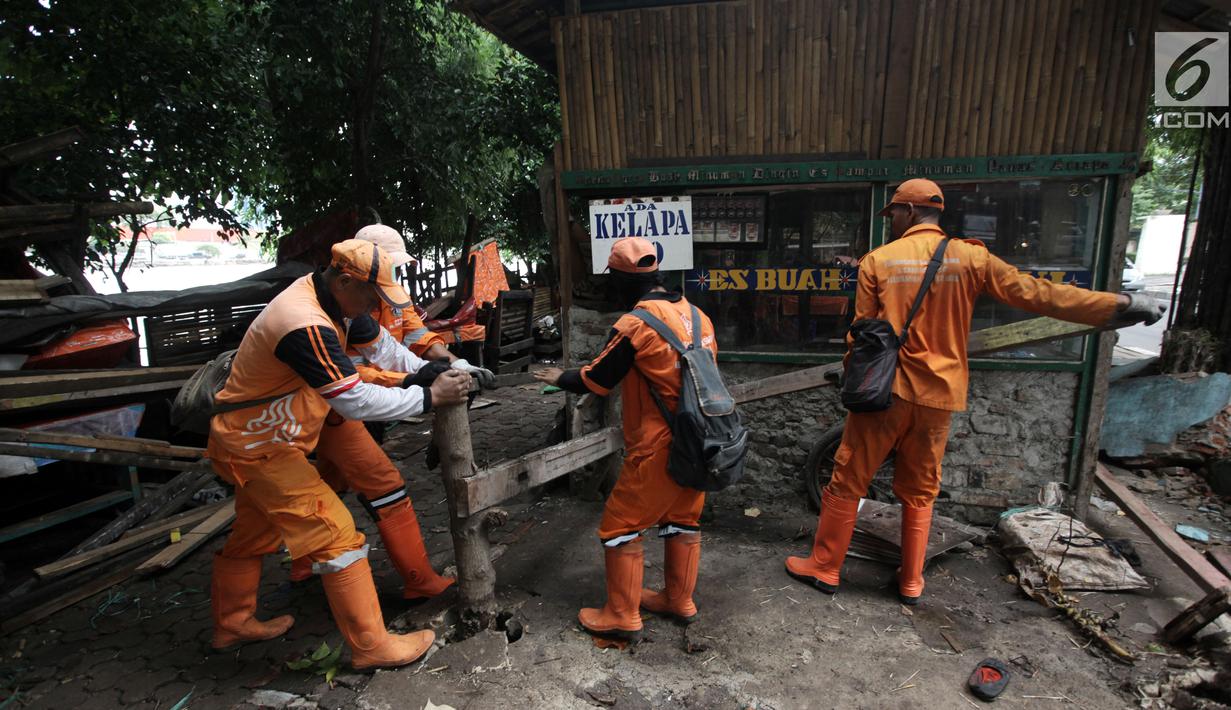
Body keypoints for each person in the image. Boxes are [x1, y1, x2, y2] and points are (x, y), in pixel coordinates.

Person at [784, 179, 1164, 605]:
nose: (889, 219)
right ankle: (910, 580)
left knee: (848, 477)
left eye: (891, 213)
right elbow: (1039, 294)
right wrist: (1118, 305)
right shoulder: (971, 257)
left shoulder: (880, 260)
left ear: (908, 212)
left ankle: (825, 567)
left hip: (884, 393)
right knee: (920, 487)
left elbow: (862, 334)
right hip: (940, 393)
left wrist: (851, 375)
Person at [206, 238, 471, 670]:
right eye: (370, 297)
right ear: (345, 280)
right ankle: (371, 646)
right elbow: (354, 401)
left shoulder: (338, 303)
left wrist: (431, 370)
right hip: (258, 446)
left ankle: (232, 622)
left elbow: (384, 348)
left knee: (253, 534)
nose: (373, 307)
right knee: (337, 534)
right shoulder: (303, 321)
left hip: (264, 440)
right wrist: (428, 398)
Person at [287, 226, 490, 592]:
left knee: (332, 478)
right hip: (340, 408)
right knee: (381, 484)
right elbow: (352, 383)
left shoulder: (374, 301)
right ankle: (417, 580)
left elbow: (408, 343)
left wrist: (453, 366)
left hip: (343, 406)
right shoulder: (320, 316)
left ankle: (303, 560)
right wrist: (420, 390)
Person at [535, 237, 716, 641]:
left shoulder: (636, 324)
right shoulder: (698, 316)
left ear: (618, 279)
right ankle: (679, 599)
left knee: (619, 523)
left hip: (658, 446)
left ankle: (621, 613)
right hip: (702, 441)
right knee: (682, 519)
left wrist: (559, 377)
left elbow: (598, 379)